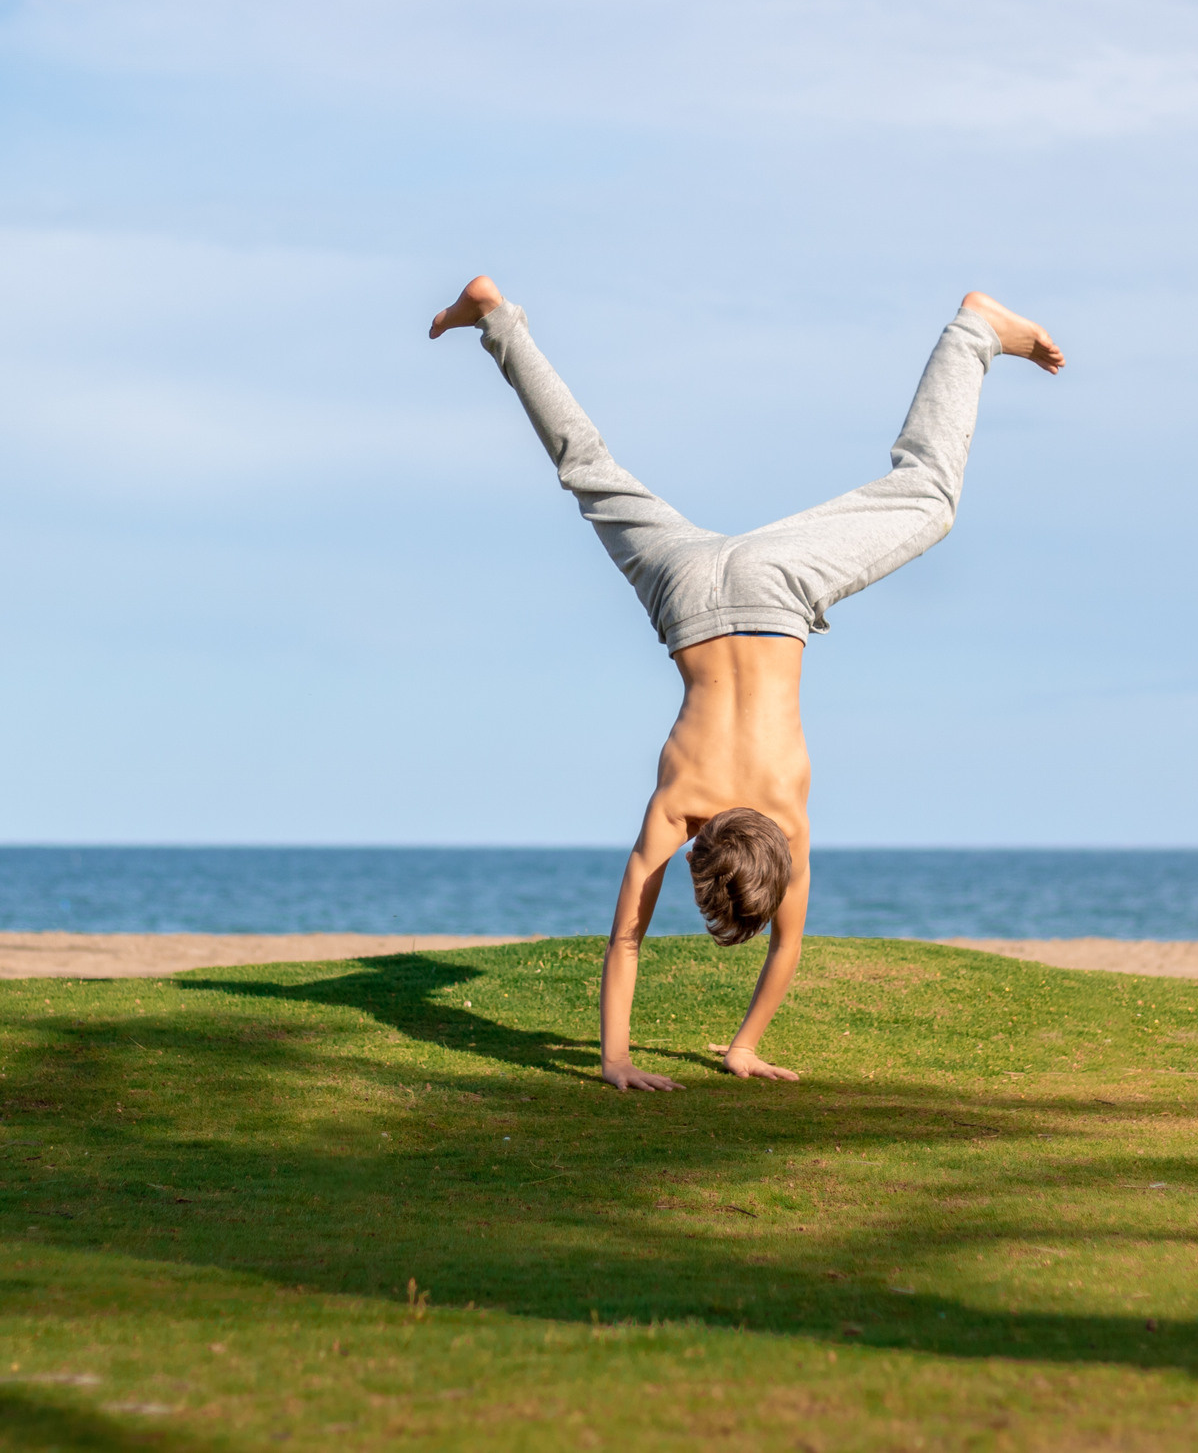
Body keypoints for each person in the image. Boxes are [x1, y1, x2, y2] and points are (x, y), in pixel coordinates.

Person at [432, 276, 1063, 1091]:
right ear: (704, 844)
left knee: (928, 499)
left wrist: (652, 1056)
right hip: (692, 590)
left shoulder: (786, 815)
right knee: (588, 469)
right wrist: (632, 1056)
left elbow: (780, 941)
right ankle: (497, 320)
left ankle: (974, 329)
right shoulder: (682, 805)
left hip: (769, 591)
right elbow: (627, 940)